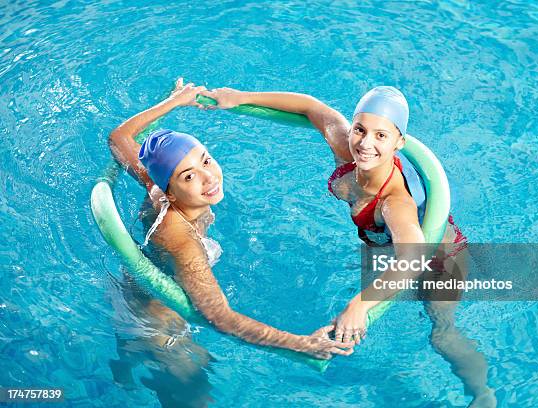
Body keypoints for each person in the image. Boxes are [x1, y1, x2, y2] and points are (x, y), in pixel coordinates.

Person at [199, 85, 496, 407]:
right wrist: (240, 98)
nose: (365, 143)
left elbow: (412, 259)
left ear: (400, 143)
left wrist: (360, 305)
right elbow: (313, 106)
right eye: (360, 129)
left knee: (442, 333)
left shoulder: (395, 203)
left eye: (381, 136)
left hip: (439, 260)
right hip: (392, 246)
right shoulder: (348, 150)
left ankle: (483, 394)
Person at [108, 78, 355, 361]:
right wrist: (301, 344)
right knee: (195, 389)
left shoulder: (156, 186)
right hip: (155, 315)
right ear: (171, 192)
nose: (209, 177)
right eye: (188, 176)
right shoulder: (180, 240)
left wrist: (176, 100)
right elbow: (220, 317)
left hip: (146, 281)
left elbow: (118, 138)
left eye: (206, 160)